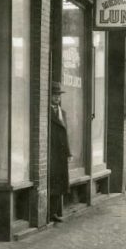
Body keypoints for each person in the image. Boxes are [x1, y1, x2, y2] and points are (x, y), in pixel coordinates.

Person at [49, 82, 71, 223]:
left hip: (61, 154)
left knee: (60, 183)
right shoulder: (46, 112)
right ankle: (51, 213)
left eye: (58, 95)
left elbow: (65, 134)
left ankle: (54, 212)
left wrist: (68, 152)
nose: (57, 98)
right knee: (54, 183)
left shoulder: (62, 113)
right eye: (54, 95)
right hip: (52, 154)